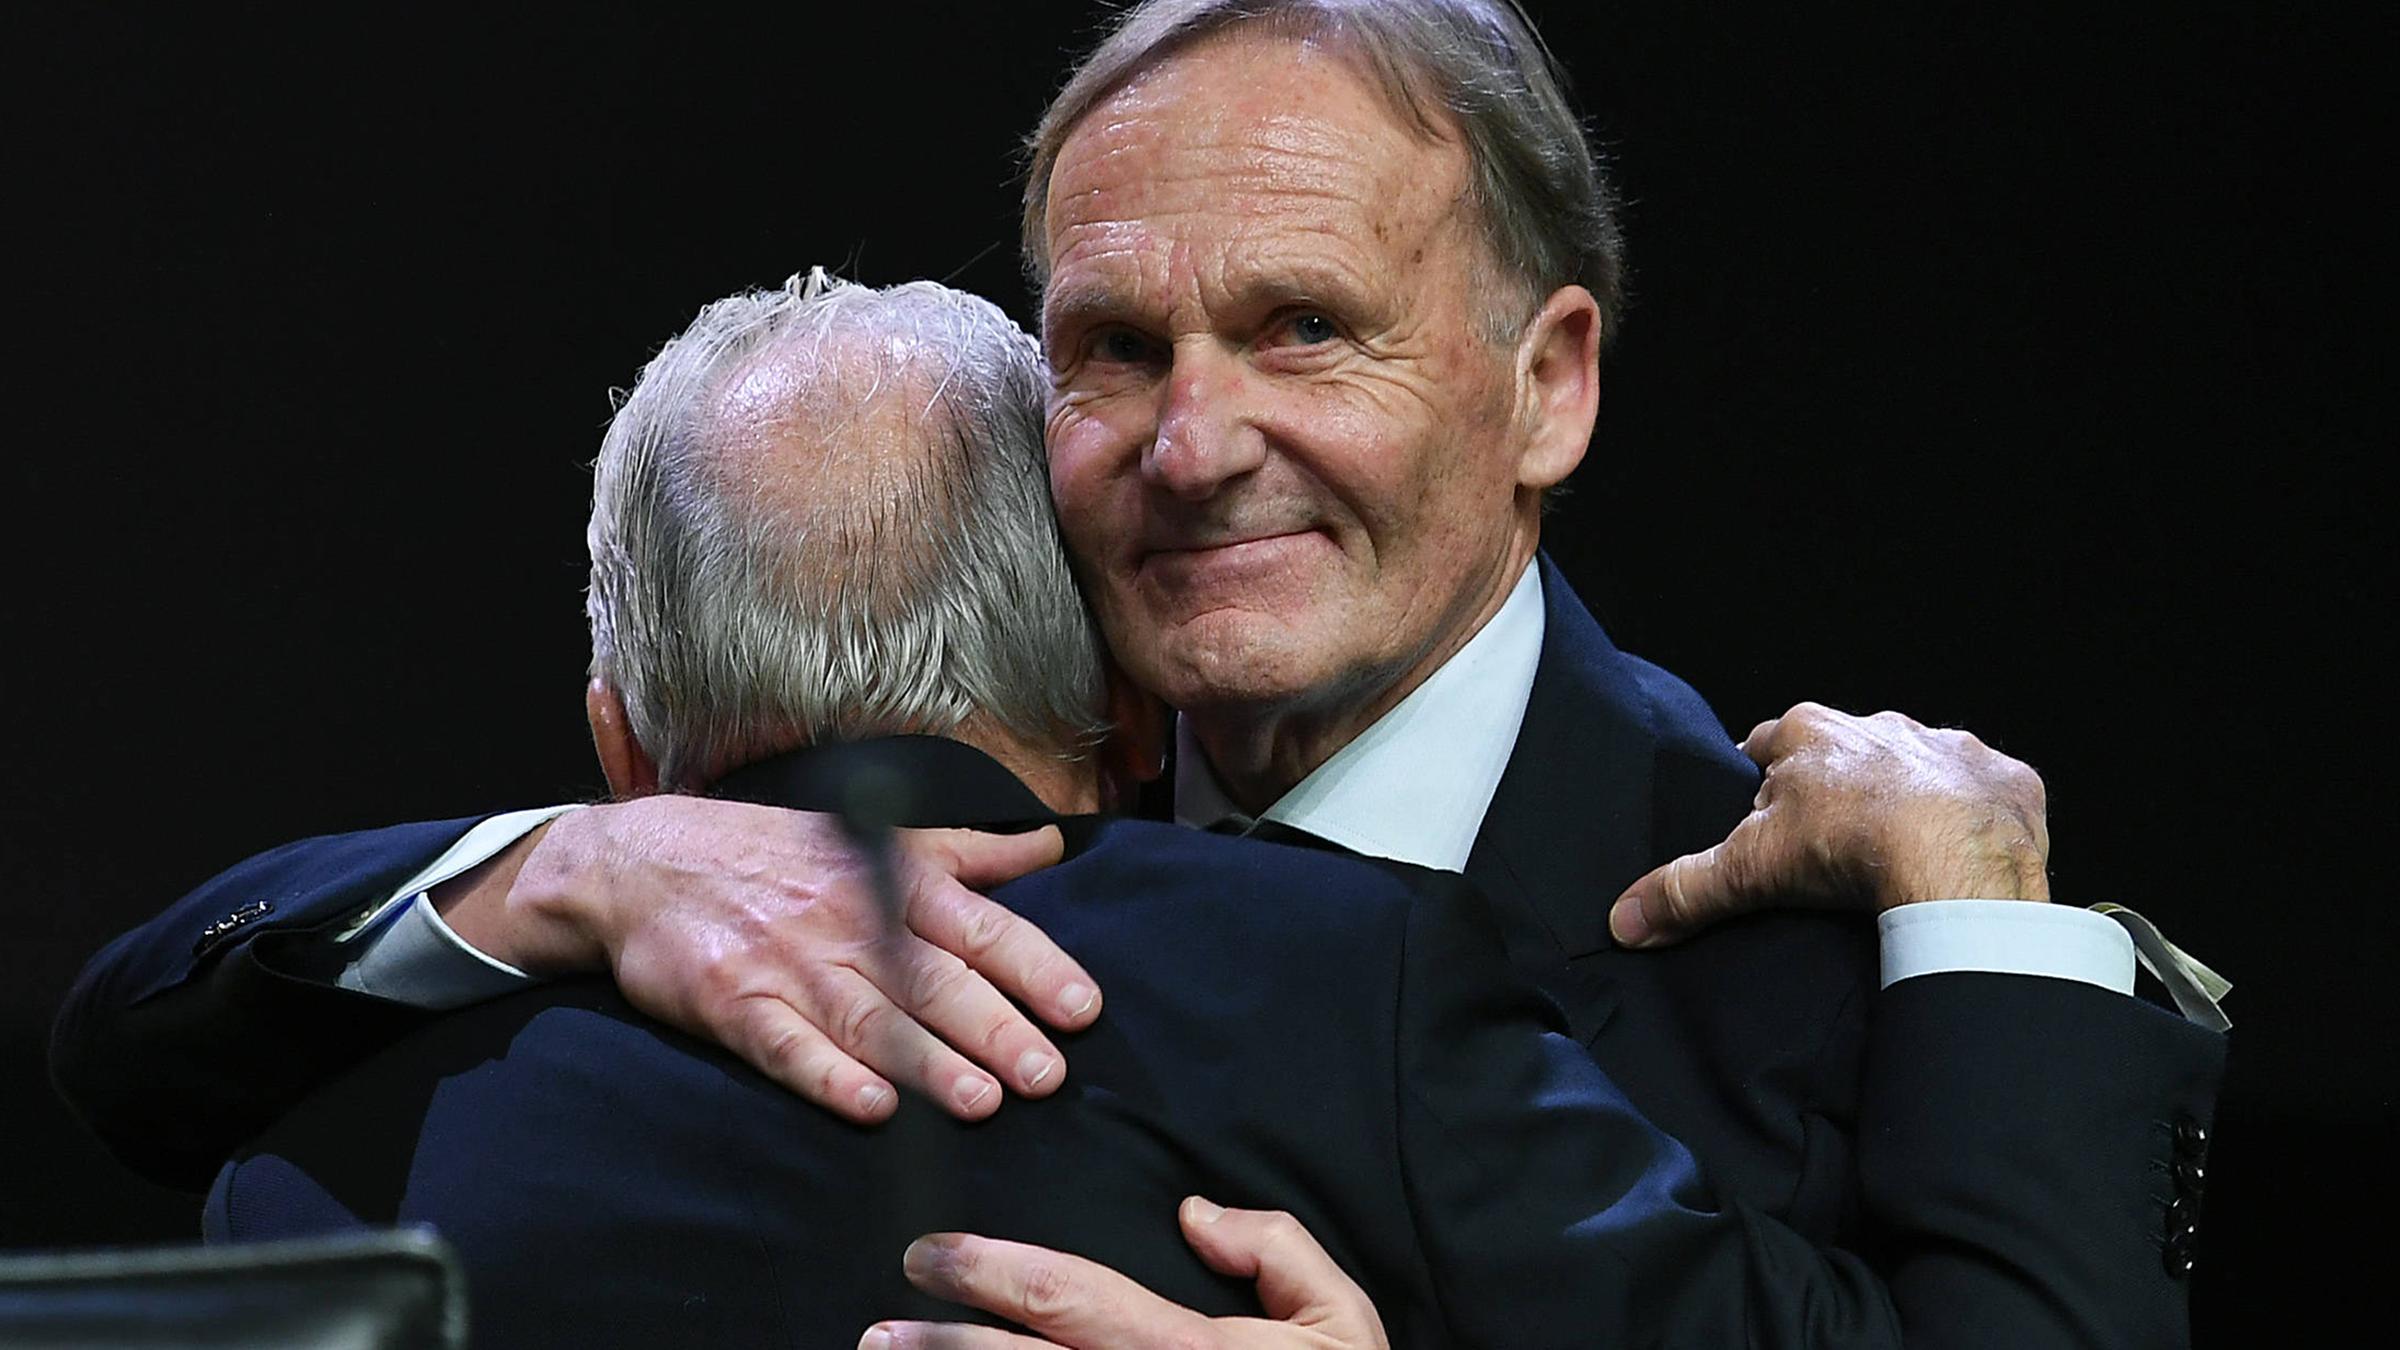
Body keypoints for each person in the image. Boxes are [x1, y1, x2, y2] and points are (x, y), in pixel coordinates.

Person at [53, 0, 2226, 1342]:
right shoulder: (749, 901)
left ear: (1547, 384)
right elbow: (133, 1057)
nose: (1195, 447)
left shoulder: (1889, 967)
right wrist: (547, 868)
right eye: (1112, 350)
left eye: (1303, 326)